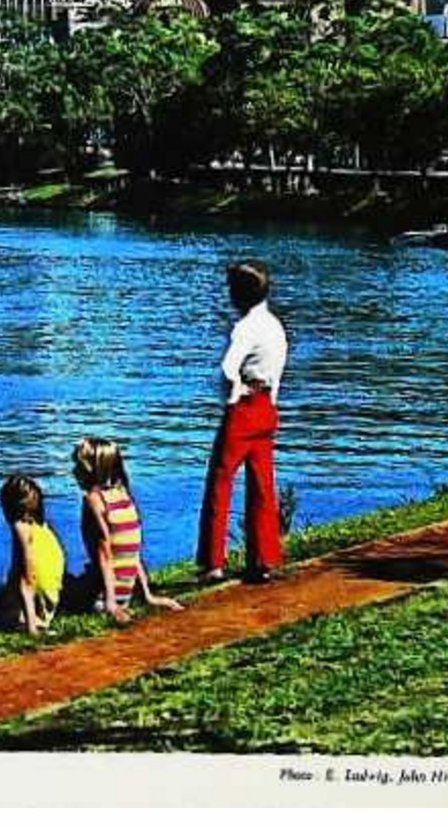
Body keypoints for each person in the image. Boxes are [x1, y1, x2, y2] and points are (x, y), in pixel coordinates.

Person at [196, 259, 288, 584]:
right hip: (267, 407)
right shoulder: (275, 326)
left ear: (239, 294)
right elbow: (277, 369)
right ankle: (265, 558)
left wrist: (233, 393)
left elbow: (226, 368)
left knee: (220, 482)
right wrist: (271, 400)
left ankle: (213, 562)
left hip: (245, 408)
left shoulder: (245, 328)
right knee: (263, 486)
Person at [72, 437, 182, 623]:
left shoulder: (93, 500)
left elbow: (103, 553)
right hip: (126, 592)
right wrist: (148, 596)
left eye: (78, 466)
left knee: (64, 585)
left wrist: (110, 603)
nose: (74, 471)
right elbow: (133, 552)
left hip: (102, 596)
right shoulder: (123, 495)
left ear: (92, 469)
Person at [0, 474, 66, 636]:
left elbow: (27, 580)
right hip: (48, 605)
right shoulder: (45, 529)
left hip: (29, 613)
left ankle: (30, 624)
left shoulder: (21, 529)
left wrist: (31, 627)